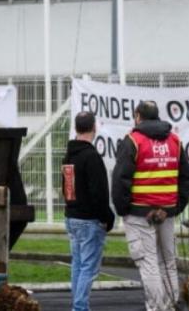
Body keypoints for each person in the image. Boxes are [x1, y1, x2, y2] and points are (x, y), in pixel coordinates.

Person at [112, 101, 189, 311]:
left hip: (140, 213)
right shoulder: (175, 141)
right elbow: (186, 177)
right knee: (168, 261)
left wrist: (123, 210)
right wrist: (175, 207)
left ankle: (157, 307)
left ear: (138, 116)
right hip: (166, 212)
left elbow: (121, 179)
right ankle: (171, 304)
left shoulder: (133, 140)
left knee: (148, 262)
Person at [62, 111, 115, 311]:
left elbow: (67, 188)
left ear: (76, 128)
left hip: (72, 217)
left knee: (77, 265)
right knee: (88, 268)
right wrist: (107, 218)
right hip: (89, 220)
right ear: (94, 128)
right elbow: (99, 193)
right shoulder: (91, 157)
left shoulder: (68, 156)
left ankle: (78, 305)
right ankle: (80, 307)